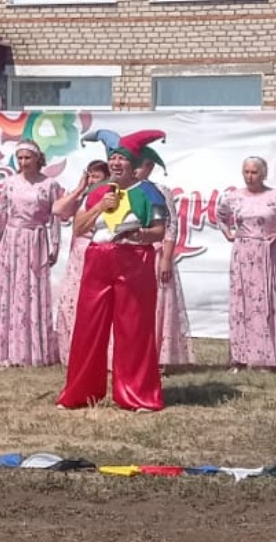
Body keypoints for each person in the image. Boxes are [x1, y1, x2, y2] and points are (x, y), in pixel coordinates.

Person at [58, 130, 171, 411]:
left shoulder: (148, 191)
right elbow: (79, 227)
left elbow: (159, 231)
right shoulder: (98, 191)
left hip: (134, 260)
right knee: (88, 326)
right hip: (98, 258)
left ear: (134, 164)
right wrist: (99, 206)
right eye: (113, 158)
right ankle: (80, 393)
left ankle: (136, 394)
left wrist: (138, 234)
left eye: (122, 159)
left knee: (134, 328)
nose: (116, 163)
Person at [216, 156, 276, 371]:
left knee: (269, 301)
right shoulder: (233, 197)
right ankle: (242, 355)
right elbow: (220, 216)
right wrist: (228, 233)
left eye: (254, 172)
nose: (249, 177)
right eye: (246, 172)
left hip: (269, 252)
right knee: (244, 304)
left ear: (263, 174)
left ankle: (272, 355)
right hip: (244, 254)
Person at [0, 139, 62, 366]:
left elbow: (55, 217)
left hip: (35, 239)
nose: (23, 162)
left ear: (37, 159)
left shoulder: (49, 184)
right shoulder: (10, 183)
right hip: (12, 239)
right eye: (19, 158)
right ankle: (7, 348)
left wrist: (55, 245)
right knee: (10, 289)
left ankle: (32, 348)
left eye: (27, 158)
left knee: (31, 289)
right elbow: (2, 215)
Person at [52, 159, 110, 366]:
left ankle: (96, 351)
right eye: (90, 175)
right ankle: (73, 350)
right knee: (71, 301)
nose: (93, 180)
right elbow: (58, 210)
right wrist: (80, 188)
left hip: (94, 250)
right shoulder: (83, 197)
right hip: (77, 254)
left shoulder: (108, 196)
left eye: (97, 176)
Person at [138, 158, 193, 368]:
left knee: (157, 304)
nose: (135, 169)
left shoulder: (160, 191)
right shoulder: (119, 190)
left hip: (155, 253)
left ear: (150, 167)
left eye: (140, 164)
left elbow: (171, 226)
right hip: (129, 253)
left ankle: (157, 357)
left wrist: (166, 259)